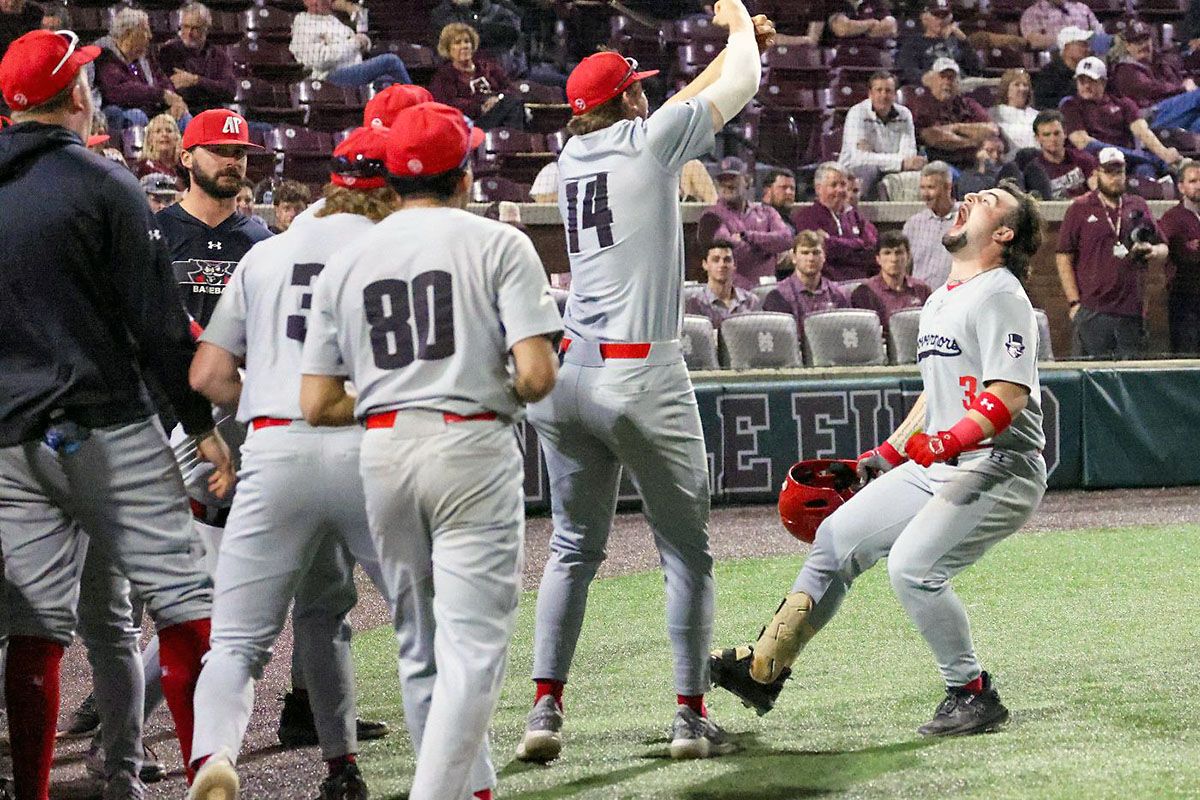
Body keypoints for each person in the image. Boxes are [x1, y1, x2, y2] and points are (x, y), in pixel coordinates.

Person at [516, 0, 774, 766]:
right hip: (643, 372)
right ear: (626, 101)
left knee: (571, 547)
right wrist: (737, 25)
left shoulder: (571, 156)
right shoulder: (650, 143)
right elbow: (742, 84)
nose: (645, 97)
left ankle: (544, 709)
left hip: (570, 374)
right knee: (686, 555)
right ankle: (690, 720)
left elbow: (677, 106)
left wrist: (728, 51)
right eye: (637, 89)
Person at [710, 180, 1049, 740]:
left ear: (1004, 233)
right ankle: (765, 666)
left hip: (999, 464)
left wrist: (946, 443)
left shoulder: (1002, 295)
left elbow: (1008, 395)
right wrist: (888, 453)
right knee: (836, 539)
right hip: (941, 461)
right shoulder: (944, 296)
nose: (970, 200)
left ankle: (972, 692)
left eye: (986, 201)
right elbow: (936, 393)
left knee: (913, 569)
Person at [298, 101, 561, 800]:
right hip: (469, 444)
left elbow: (318, 403)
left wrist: (396, 395)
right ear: (465, 174)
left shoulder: (348, 259)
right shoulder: (497, 242)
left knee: (419, 643)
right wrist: (478, 388)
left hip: (383, 451)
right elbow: (537, 374)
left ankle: (470, 788)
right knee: (473, 648)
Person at [0, 28, 232, 799]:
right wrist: (200, 428)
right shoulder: (105, 184)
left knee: (34, 634)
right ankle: (194, 772)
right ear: (76, 96)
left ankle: (37, 788)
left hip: (12, 442)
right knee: (181, 607)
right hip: (106, 428)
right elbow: (161, 328)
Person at [185, 125, 398, 800]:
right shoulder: (394, 247)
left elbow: (210, 375)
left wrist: (272, 397)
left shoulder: (266, 254)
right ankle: (360, 769)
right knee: (417, 631)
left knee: (237, 642)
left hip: (274, 449)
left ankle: (215, 756)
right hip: (366, 446)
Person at [1056, 147, 1167, 359]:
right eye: (1109, 172)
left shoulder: (1138, 205)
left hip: (1131, 310)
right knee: (1091, 377)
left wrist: (1151, 251)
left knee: (1130, 381)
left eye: (1120, 172)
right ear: (1097, 173)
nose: (1115, 178)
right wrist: (1074, 303)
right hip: (1092, 308)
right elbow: (1063, 256)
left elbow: (1164, 247)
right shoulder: (1080, 208)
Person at [1062, 56, 1181, 178]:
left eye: (1092, 81)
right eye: (1082, 81)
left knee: (1145, 169)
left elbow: (1143, 132)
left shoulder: (1123, 103)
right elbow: (1083, 143)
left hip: (1127, 161)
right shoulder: (1070, 105)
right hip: (1093, 160)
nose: (1086, 86)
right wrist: (1150, 158)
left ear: (1103, 82)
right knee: (1149, 162)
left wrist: (1164, 153)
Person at [699, 156, 793, 288]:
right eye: (722, 180)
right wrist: (769, 247)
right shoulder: (711, 217)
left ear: (748, 181)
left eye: (733, 178)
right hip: (733, 292)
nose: (727, 184)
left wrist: (748, 236)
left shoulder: (767, 212)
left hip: (769, 290)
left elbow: (786, 239)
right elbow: (734, 253)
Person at [93, 8, 188, 134]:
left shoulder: (144, 56)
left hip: (152, 108)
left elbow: (163, 80)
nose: (150, 36)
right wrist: (161, 95)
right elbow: (118, 91)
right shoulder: (105, 55)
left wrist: (174, 100)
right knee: (137, 116)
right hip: (121, 111)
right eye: (145, 30)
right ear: (128, 34)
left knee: (183, 116)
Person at [838, 71, 924, 200]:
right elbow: (859, 158)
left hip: (893, 170)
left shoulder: (905, 114)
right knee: (870, 170)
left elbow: (909, 155)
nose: (883, 95)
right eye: (879, 90)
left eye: (888, 91)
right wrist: (900, 162)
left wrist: (874, 155)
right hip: (854, 169)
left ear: (895, 94)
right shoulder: (857, 113)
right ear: (870, 94)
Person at [290, 0, 411, 89]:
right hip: (327, 77)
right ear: (306, 2)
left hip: (353, 70)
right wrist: (355, 43)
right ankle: (422, 106)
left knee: (387, 82)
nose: (323, 2)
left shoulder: (333, 21)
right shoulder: (303, 24)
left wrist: (362, 43)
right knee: (390, 61)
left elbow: (360, 42)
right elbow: (320, 61)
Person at [791, 161, 878, 281]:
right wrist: (857, 244)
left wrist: (833, 242)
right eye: (833, 185)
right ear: (818, 189)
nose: (840, 190)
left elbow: (872, 250)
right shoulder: (806, 217)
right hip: (828, 285)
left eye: (843, 184)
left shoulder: (855, 216)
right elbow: (822, 251)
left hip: (861, 284)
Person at [428, 22, 524, 130]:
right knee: (512, 105)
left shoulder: (487, 66)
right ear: (448, 49)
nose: (464, 46)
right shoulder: (444, 75)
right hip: (471, 123)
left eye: (467, 41)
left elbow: (510, 88)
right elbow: (448, 105)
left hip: (500, 111)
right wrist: (480, 107)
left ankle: (509, 141)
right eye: (457, 43)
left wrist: (498, 99)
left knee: (513, 102)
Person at [908, 58, 999, 170]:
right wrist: (974, 140)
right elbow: (932, 137)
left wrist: (956, 127)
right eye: (942, 77)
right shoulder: (922, 104)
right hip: (940, 163)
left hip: (973, 160)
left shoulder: (968, 104)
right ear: (931, 80)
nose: (947, 82)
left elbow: (992, 130)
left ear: (957, 82)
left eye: (951, 78)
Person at [1111, 22, 1200, 134]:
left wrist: (1188, 81)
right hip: (1145, 119)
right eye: (1138, 42)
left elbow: (1178, 78)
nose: (1143, 45)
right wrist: (1183, 88)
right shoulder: (1125, 70)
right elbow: (1153, 89)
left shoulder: (1160, 62)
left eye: (1146, 40)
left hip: (1170, 113)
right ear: (1128, 46)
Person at [762, 229, 851, 336]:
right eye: (805, 253)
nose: (811, 258)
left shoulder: (837, 294)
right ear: (794, 258)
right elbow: (781, 341)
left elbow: (846, 331)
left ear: (824, 257)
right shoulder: (778, 296)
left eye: (816, 252)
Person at [157, 2, 236, 114]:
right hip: (182, 113)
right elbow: (170, 89)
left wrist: (196, 81)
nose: (189, 33)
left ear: (206, 29)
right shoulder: (168, 52)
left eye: (195, 28)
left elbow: (230, 90)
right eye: (185, 26)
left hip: (212, 113)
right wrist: (210, 87)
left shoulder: (219, 56)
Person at [1160, 158, 1200, 355]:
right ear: (1181, 187)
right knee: (1188, 356)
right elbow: (1183, 255)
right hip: (1186, 301)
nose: (1198, 186)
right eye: (1193, 181)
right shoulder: (1172, 218)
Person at [851, 230, 932, 327]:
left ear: (908, 256)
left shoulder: (922, 290)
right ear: (878, 259)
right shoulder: (864, 293)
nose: (894, 259)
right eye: (887, 253)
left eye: (899, 252)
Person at [895, 0, 983, 87]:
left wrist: (964, 40)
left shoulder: (958, 40)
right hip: (933, 89)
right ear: (924, 18)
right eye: (936, 15)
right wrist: (931, 79)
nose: (941, 20)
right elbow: (907, 71)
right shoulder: (914, 43)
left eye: (944, 15)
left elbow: (976, 70)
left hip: (962, 86)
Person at [903, 160, 957, 288]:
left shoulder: (966, 219)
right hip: (920, 300)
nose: (925, 194)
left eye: (931, 188)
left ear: (948, 187)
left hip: (955, 297)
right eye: (922, 188)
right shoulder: (913, 224)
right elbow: (905, 268)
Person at [685, 239, 761, 327]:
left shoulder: (751, 301)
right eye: (716, 260)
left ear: (734, 265)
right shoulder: (694, 303)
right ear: (705, 264)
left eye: (727, 260)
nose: (722, 264)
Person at [1030, 109, 1097, 200]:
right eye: (1046, 134)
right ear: (1037, 138)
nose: (1053, 139)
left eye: (1057, 133)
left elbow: (1098, 191)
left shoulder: (1084, 159)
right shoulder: (1034, 171)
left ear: (1065, 133)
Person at [1033, 26, 1092, 111]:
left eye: (1087, 45)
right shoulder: (1049, 74)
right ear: (1067, 48)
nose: (1087, 49)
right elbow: (1043, 105)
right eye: (1082, 45)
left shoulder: (1090, 70)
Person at [1019, 0, 1102, 52]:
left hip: (1087, 59)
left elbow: (1100, 34)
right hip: (1054, 63)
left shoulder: (1082, 9)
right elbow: (1034, 41)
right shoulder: (1032, 13)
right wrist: (1069, 41)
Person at [991, 68, 1037, 154]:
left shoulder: (1037, 115)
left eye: (1025, 85)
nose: (1022, 89)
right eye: (1017, 85)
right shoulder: (995, 113)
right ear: (1006, 90)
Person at [134, 112, 181, 177]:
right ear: (149, 139)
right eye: (158, 131)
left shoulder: (183, 168)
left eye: (169, 130)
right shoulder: (144, 168)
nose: (164, 134)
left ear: (176, 137)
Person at [827, 0, 896, 43]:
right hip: (842, 51)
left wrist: (855, 28)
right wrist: (872, 23)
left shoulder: (875, 3)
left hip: (874, 51)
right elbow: (842, 29)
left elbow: (889, 27)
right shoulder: (834, 3)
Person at [760, 167, 796, 232]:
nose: (789, 192)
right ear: (767, 191)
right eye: (783, 187)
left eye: (792, 188)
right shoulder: (758, 221)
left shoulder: (791, 222)